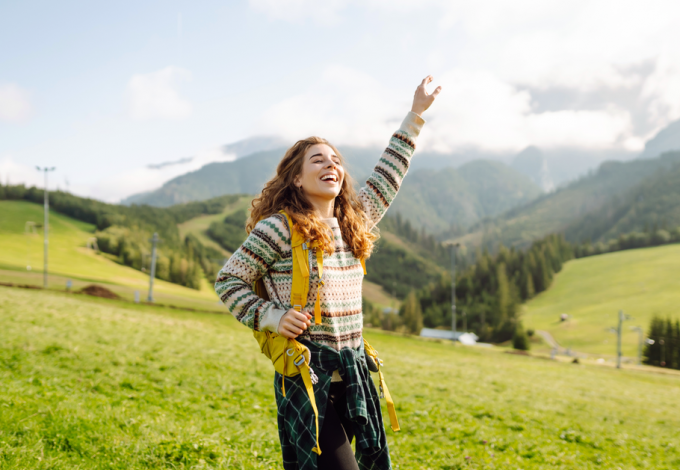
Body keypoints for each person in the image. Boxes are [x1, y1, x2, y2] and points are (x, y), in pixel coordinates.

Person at [215, 76, 441, 470]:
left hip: (352, 376)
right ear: (297, 179)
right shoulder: (279, 228)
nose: (331, 164)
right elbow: (228, 281)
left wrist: (415, 115)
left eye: (336, 160)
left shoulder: (354, 221)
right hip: (306, 376)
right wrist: (274, 316)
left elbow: (389, 174)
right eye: (317, 160)